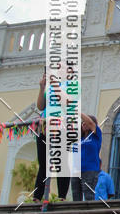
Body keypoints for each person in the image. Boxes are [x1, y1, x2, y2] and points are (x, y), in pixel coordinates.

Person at [33, 69, 70, 202]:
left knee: (61, 161)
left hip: (61, 127)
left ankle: (62, 196)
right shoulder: (48, 88)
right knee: (43, 162)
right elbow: (40, 106)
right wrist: (42, 87)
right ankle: (37, 196)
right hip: (44, 126)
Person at [71, 113, 102, 201]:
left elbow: (90, 123)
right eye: (82, 123)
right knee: (76, 197)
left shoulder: (96, 136)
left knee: (89, 195)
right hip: (76, 171)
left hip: (90, 170)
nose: (84, 123)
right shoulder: (78, 139)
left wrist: (78, 111)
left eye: (86, 122)